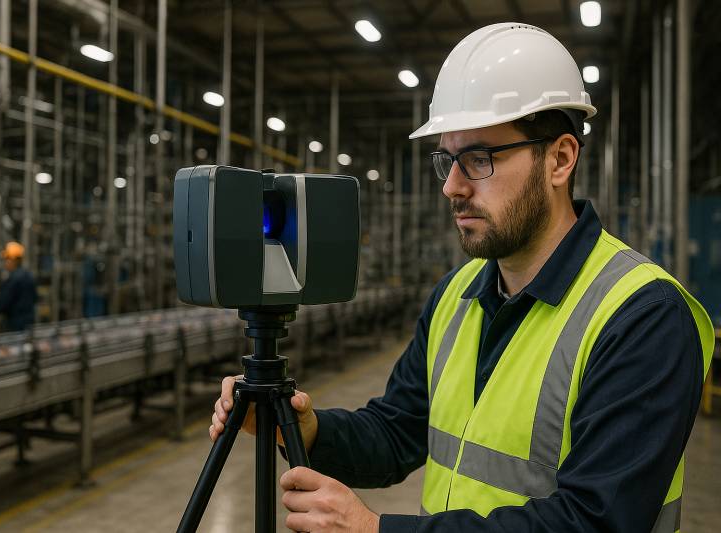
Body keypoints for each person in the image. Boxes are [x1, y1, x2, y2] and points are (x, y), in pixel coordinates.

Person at [210, 23, 715, 533]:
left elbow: (595, 520)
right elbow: (396, 434)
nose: (452, 186)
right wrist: (307, 430)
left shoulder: (643, 315)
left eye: (478, 158)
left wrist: (377, 531)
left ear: (560, 159)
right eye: (447, 160)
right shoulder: (456, 294)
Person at [0, 241, 37, 332]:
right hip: (29, 322)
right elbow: (35, 298)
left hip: (15, 325)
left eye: (7, 259)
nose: (5, 262)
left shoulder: (14, 279)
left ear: (14, 261)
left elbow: (4, 302)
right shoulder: (28, 276)